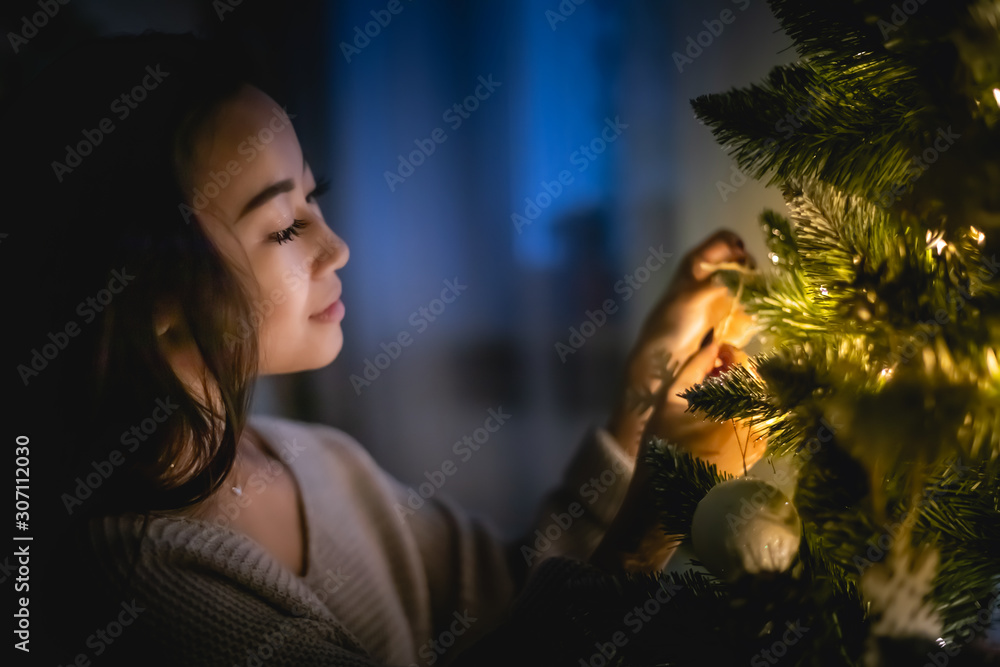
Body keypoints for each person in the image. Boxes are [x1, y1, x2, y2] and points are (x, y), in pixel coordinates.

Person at [3, 32, 761, 666]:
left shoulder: (322, 461)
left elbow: (517, 597)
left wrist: (642, 398)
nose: (338, 247)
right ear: (155, 305)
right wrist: (649, 529)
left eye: (315, 198)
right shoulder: (143, 587)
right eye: (285, 227)